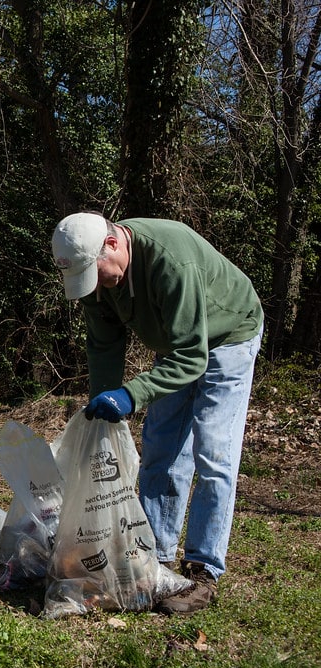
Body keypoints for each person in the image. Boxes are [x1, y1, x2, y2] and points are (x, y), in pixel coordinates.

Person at [50, 211, 264, 614]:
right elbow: (104, 346)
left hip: (228, 336)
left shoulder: (170, 260)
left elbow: (192, 357)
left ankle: (203, 571)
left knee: (213, 454)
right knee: (161, 451)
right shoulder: (97, 277)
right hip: (177, 345)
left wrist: (132, 394)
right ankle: (155, 558)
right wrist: (104, 407)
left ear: (112, 244)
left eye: (98, 273)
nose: (98, 286)